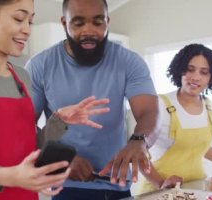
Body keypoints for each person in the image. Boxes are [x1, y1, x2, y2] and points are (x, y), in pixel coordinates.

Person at [0, 0, 110, 200]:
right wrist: (12, 177)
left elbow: (30, 147)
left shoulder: (22, 76)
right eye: (18, 18)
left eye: (30, 21)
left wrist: (59, 121)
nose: (26, 30)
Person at [25, 0, 159, 199]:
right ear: (64, 23)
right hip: (66, 187)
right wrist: (63, 158)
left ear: (107, 21)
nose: (89, 31)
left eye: (98, 22)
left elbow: (149, 112)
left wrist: (139, 141)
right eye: (78, 23)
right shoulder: (39, 66)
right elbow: (23, 127)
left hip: (117, 186)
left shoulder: (129, 62)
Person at [138, 43, 212, 194]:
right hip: (159, 192)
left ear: (211, 77)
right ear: (180, 70)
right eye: (190, 69)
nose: (195, 77)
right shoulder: (159, 104)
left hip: (196, 188)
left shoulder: (207, 105)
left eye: (204, 72)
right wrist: (161, 183)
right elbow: (138, 152)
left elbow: (198, 145)